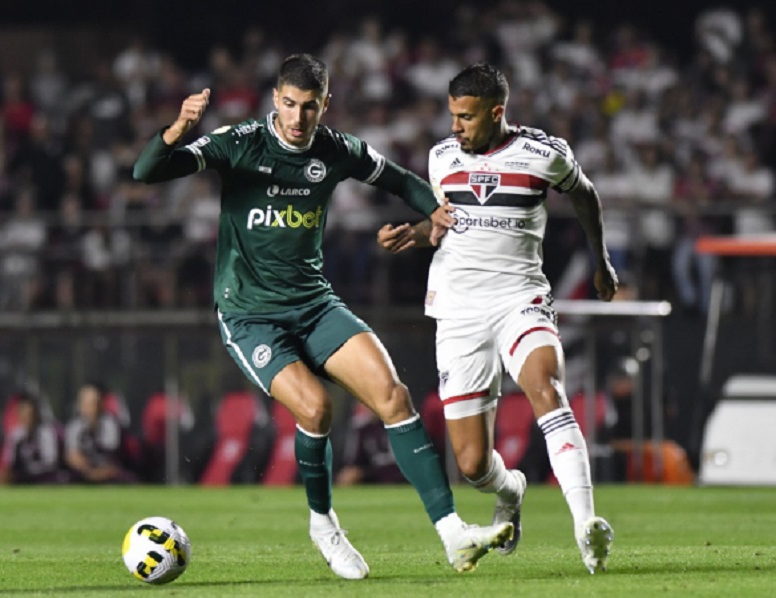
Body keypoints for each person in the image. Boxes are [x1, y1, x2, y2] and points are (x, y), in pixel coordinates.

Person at [133, 53, 512, 579]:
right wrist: (177, 128)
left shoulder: (335, 150)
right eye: (288, 104)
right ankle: (324, 524)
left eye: (309, 107)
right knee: (315, 411)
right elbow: (146, 171)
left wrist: (434, 209)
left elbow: (399, 179)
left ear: (324, 105)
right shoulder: (239, 143)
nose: (297, 117)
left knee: (393, 396)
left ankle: (453, 534)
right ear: (275, 100)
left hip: (313, 303)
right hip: (250, 315)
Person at [377, 63, 618, 574]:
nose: (454, 127)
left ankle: (586, 525)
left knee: (546, 388)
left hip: (519, 298)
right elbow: (445, 227)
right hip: (458, 311)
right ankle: (511, 489)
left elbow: (586, 195)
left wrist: (601, 261)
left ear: (496, 112)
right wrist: (411, 235)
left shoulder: (542, 154)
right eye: (451, 115)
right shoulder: (441, 158)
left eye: (465, 117)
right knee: (470, 464)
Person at [64, 383, 137, 484]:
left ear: (100, 405)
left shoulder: (110, 424)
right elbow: (73, 457)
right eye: (85, 404)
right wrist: (89, 472)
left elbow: (111, 458)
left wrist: (99, 473)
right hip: (83, 473)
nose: (88, 409)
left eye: (92, 404)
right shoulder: (73, 427)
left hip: (107, 472)